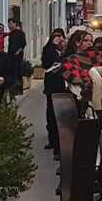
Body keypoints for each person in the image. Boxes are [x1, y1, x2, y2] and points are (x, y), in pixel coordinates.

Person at [42, 28, 67, 158]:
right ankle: (52, 140)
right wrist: (52, 44)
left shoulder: (66, 51)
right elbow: (46, 63)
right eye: (56, 37)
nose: (59, 40)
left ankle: (61, 143)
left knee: (62, 116)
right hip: (52, 87)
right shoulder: (49, 50)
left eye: (60, 37)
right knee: (51, 114)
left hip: (64, 88)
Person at [7, 19, 27, 97]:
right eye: (9, 24)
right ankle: (14, 90)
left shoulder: (20, 33)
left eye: (11, 23)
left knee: (18, 72)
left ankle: (19, 89)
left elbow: (23, 44)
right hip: (10, 56)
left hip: (18, 57)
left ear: (15, 24)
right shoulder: (11, 34)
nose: (10, 25)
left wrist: (18, 52)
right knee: (12, 72)